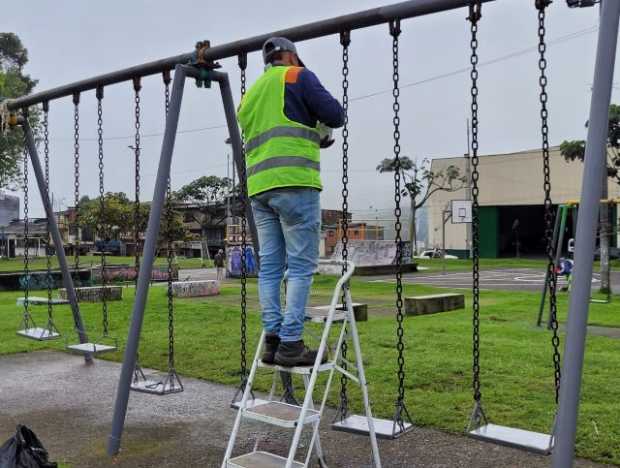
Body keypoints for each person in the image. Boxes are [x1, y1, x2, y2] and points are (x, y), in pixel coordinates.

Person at [237, 37, 344, 367]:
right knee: (300, 268)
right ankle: (291, 344)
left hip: (259, 189)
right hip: (295, 183)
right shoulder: (298, 76)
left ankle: (272, 341)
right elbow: (335, 115)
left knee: (270, 268)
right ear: (291, 55)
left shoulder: (249, 95)